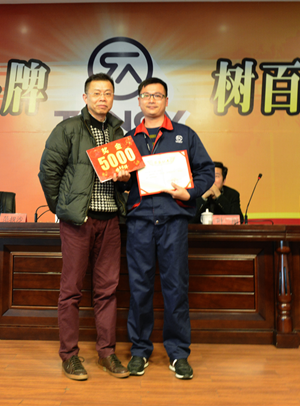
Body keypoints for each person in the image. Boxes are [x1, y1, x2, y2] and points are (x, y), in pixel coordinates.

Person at [38, 73, 130, 381]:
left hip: (111, 221)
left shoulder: (118, 132)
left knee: (108, 290)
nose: (103, 98)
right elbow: (48, 173)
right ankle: (70, 356)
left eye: (108, 93)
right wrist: (63, 209)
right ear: (85, 98)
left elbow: (127, 178)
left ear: (113, 97)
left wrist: (126, 179)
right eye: (97, 93)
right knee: (71, 291)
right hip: (79, 221)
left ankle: (107, 353)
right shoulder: (68, 129)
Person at [121, 77, 214, 380]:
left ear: (166, 101)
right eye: (146, 95)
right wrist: (121, 179)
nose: (151, 100)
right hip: (140, 222)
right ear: (139, 101)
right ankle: (139, 350)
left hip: (173, 221)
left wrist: (190, 192)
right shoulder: (128, 139)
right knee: (140, 289)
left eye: (157, 95)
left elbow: (206, 171)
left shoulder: (184, 135)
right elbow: (120, 182)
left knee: (176, 288)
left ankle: (178, 353)